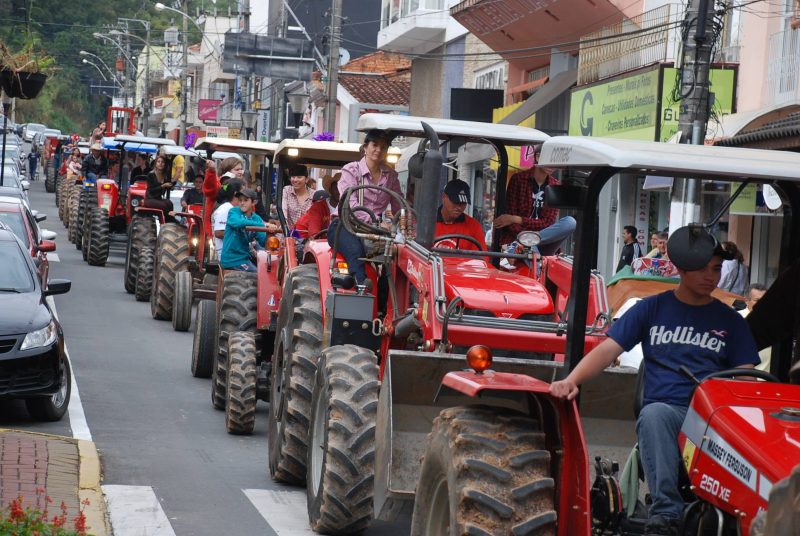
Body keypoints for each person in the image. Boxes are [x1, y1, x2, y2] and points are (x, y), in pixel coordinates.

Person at [550, 226, 759, 536]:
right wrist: (571, 380)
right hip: (670, 411)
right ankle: (667, 514)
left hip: (715, 417)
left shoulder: (730, 321)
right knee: (655, 413)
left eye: (715, 269)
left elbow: (744, 376)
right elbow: (608, 350)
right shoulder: (653, 309)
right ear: (680, 268)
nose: (711, 276)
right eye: (702, 268)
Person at [331, 129, 402, 287]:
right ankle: (361, 287)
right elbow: (351, 204)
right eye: (374, 145)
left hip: (376, 231)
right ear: (365, 147)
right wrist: (376, 222)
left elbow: (399, 204)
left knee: (399, 255)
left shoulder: (391, 175)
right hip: (345, 225)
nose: (378, 150)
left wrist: (408, 225)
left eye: (383, 147)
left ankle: (388, 303)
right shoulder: (351, 170)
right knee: (356, 251)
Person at [493, 147, 576, 255]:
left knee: (570, 222)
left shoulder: (555, 186)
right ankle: (527, 245)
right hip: (518, 239)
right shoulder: (518, 179)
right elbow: (508, 220)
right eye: (549, 160)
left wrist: (515, 219)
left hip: (542, 240)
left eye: (555, 161)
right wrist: (523, 236)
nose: (552, 165)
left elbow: (547, 223)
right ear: (537, 157)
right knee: (531, 255)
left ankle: (528, 243)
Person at [220, 188, 278, 272]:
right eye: (240, 200)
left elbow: (262, 241)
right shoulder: (233, 212)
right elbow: (237, 222)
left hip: (245, 258)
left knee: (266, 273)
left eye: (246, 200)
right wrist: (264, 225)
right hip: (232, 260)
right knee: (257, 276)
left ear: (254, 202)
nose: (242, 203)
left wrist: (270, 233)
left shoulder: (256, 218)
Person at [434, 179, 487, 252]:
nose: (459, 207)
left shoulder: (474, 226)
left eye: (463, 203)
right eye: (455, 201)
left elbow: (481, 259)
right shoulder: (427, 223)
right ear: (444, 197)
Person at [294, 173, 340, 239]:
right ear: (330, 190)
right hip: (300, 237)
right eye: (336, 188)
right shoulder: (318, 207)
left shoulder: (349, 207)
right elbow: (314, 233)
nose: (339, 191)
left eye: (342, 188)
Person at [738, 283, 771, 372]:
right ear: (746, 301)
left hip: (769, 379)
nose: (761, 304)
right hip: (742, 378)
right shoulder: (736, 319)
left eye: (764, 300)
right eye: (757, 300)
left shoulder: (774, 320)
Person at [211, 179, 244, 257]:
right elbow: (218, 233)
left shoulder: (235, 208)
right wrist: (242, 235)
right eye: (243, 191)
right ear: (236, 194)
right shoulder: (225, 209)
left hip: (236, 251)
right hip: (227, 254)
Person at [282, 164, 312, 229]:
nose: (295, 180)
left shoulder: (313, 194)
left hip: (307, 235)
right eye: (293, 177)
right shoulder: (287, 190)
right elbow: (283, 211)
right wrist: (286, 229)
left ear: (306, 179)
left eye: (299, 177)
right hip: (287, 233)